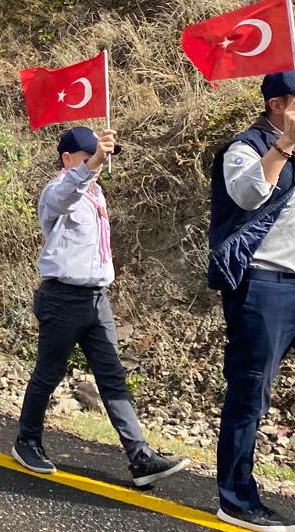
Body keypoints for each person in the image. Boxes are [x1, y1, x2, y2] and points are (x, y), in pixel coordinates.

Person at [11, 125, 189, 489]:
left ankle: (140, 456)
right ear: (67, 159)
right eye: (89, 156)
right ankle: (27, 440)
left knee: (112, 376)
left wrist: (92, 167)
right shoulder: (58, 190)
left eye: (102, 156)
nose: (100, 162)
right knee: (49, 372)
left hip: (96, 298)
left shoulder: (96, 194)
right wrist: (91, 165)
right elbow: (65, 196)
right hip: (62, 297)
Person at [208, 70, 295, 532]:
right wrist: (284, 145)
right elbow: (246, 195)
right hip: (264, 284)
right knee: (250, 391)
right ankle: (236, 498)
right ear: (278, 105)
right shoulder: (245, 147)